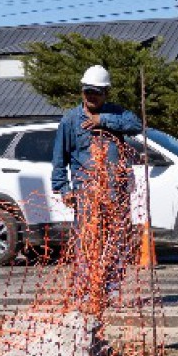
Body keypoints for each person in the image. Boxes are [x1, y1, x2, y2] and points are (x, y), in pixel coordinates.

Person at [50, 65, 143, 315]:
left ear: (106, 93)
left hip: (116, 191)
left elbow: (136, 124)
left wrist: (102, 121)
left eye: (97, 93)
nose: (91, 97)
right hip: (86, 191)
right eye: (87, 92)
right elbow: (60, 157)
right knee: (87, 242)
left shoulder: (117, 115)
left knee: (116, 241)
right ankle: (84, 290)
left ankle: (111, 290)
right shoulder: (70, 120)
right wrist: (63, 188)